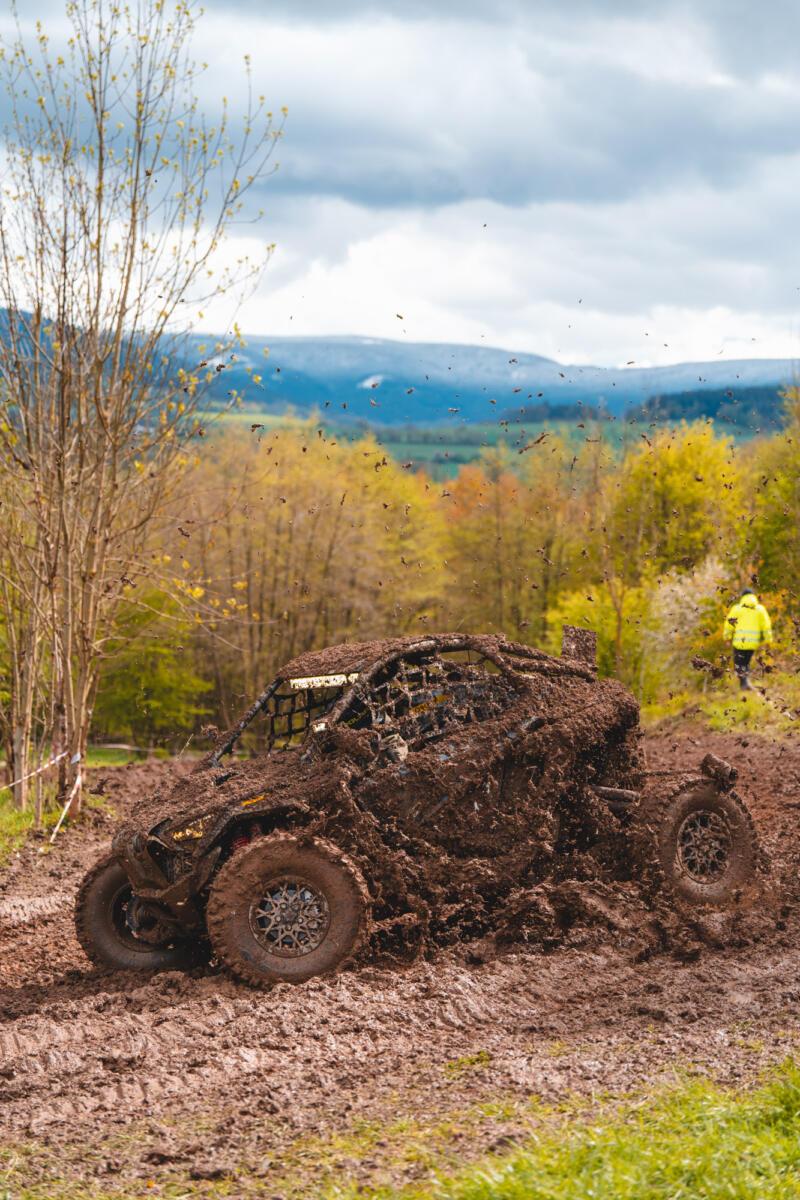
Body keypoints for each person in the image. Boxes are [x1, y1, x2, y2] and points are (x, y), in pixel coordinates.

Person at [722, 589, 772, 691]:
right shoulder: (760, 609)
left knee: (739, 663)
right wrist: (768, 640)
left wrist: (727, 637)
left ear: (742, 597)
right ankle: (745, 683)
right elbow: (766, 626)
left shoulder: (737, 609)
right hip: (752, 642)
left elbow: (729, 624)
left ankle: (744, 683)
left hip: (739, 642)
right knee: (745, 662)